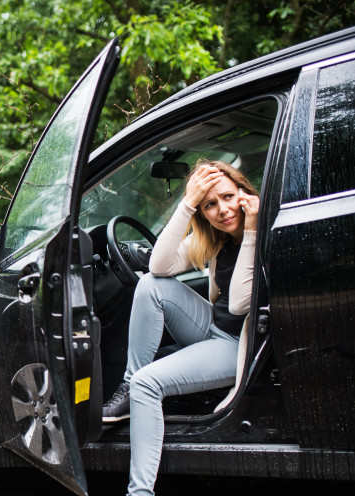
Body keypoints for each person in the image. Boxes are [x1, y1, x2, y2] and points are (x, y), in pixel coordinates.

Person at [101, 159, 260, 496]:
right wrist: (187, 203)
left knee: (149, 383)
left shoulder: (264, 233)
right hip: (213, 328)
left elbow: (241, 304)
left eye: (229, 197)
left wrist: (252, 230)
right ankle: (128, 388)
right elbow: (159, 266)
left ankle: (139, 493)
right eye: (210, 205)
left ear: (244, 194)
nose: (222, 210)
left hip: (238, 345)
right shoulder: (216, 240)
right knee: (150, 285)